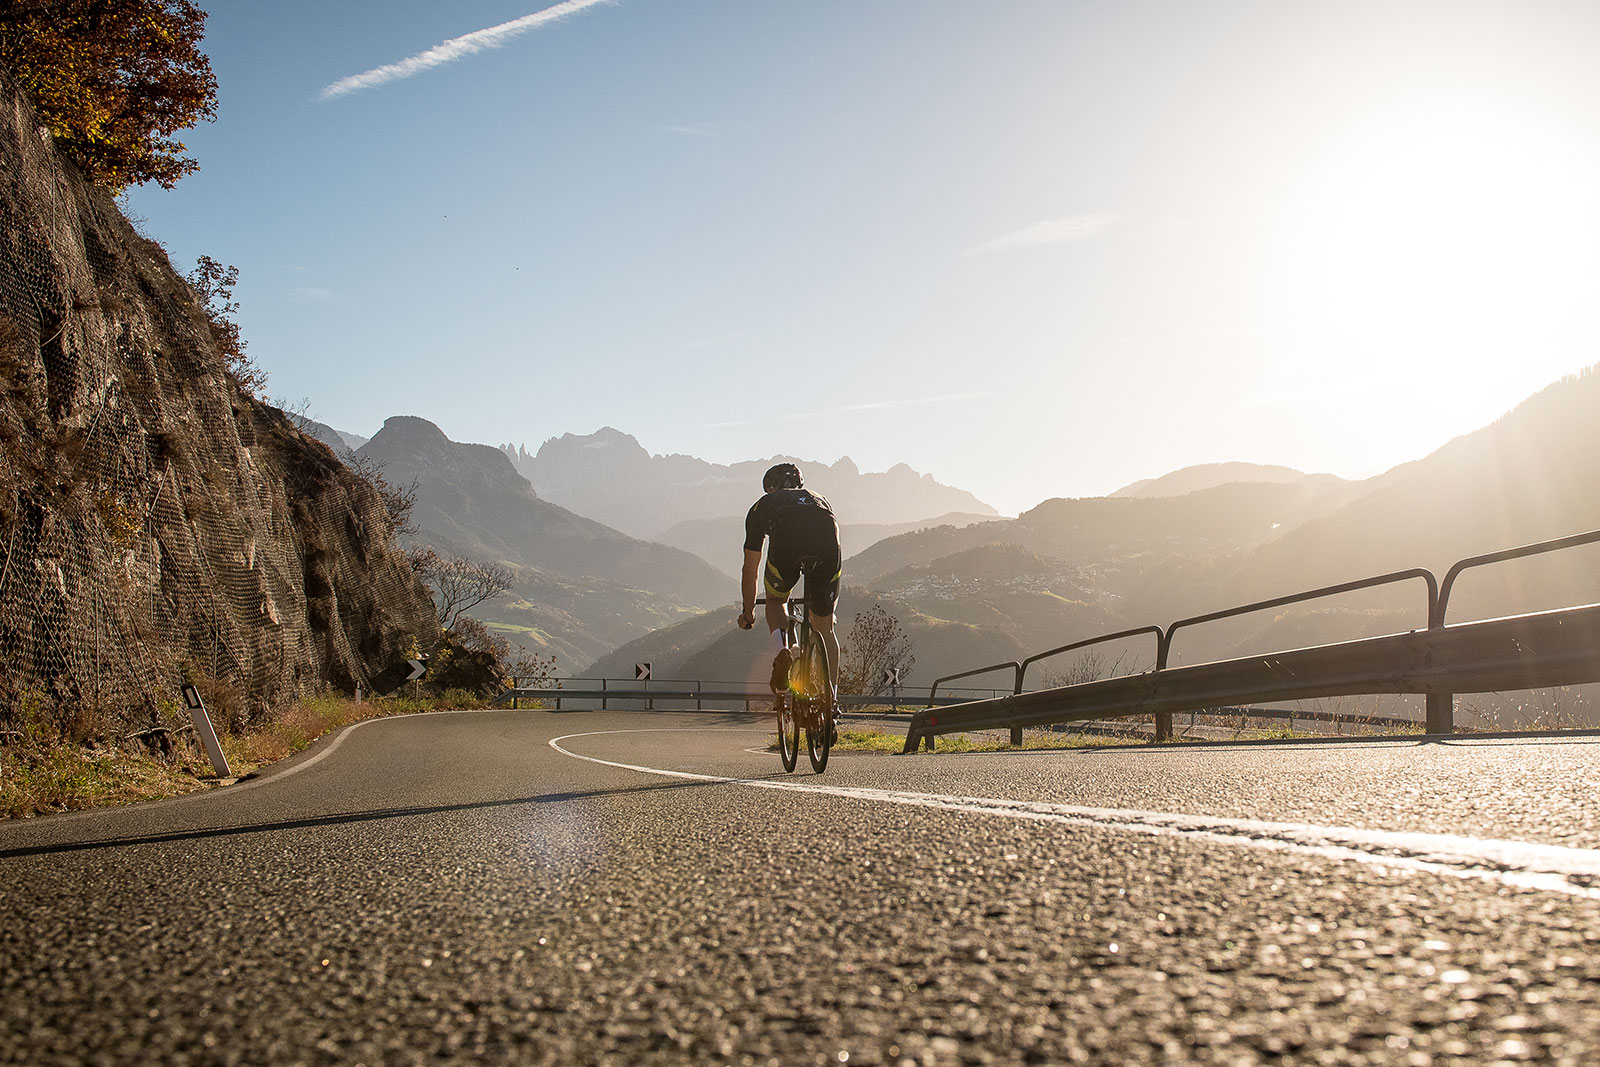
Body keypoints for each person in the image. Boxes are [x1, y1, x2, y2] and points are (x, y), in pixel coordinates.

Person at [736, 462, 842, 718]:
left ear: (770, 487)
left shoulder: (763, 505)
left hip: (786, 541)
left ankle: (782, 651)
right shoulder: (819, 499)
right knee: (825, 627)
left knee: (775, 601)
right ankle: (832, 700)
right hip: (827, 538)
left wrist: (748, 613)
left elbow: (750, 568)